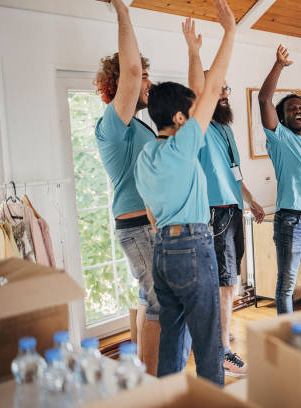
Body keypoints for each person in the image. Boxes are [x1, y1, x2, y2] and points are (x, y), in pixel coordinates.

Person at [133, 0, 236, 386]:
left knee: (174, 341)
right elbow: (210, 88)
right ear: (180, 119)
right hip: (193, 246)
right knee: (209, 344)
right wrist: (230, 33)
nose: (197, 118)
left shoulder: (148, 154)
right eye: (190, 115)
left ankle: (170, 398)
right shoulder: (183, 146)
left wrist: (193, 51)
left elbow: (197, 94)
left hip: (162, 252)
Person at [94, 0, 181, 376]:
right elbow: (130, 70)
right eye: (145, 77)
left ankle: (151, 377)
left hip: (152, 226)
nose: (148, 83)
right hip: (137, 228)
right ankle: (152, 386)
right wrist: (122, 9)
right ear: (121, 85)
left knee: (155, 302)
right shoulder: (114, 125)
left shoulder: (140, 127)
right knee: (160, 303)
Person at [182, 17, 265, 377]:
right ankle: (221, 353)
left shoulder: (226, 130)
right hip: (213, 215)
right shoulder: (197, 128)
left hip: (232, 212)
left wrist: (250, 199)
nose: (225, 93)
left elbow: (235, 173)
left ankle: (219, 345)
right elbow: (202, 88)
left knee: (228, 284)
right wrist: (194, 51)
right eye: (220, 89)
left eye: (227, 89)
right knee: (225, 285)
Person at [258, 46, 301, 315]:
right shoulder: (279, 139)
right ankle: (286, 335)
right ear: (283, 117)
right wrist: (278, 65)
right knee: (287, 285)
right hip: (291, 221)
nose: (298, 110)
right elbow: (264, 99)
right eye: (291, 109)